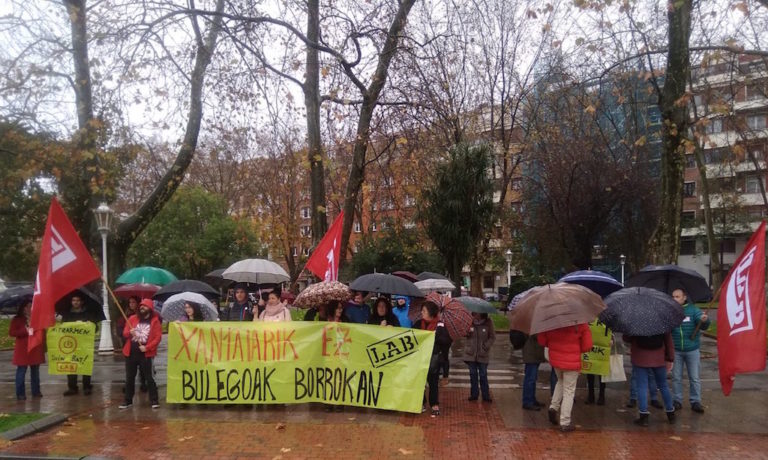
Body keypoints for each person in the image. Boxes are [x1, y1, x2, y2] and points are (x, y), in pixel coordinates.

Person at [538, 323, 592, 432]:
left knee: (560, 381)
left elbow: (542, 341)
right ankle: (565, 422)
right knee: (569, 391)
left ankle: (554, 407)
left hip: (556, 359)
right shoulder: (581, 323)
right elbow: (587, 346)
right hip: (572, 362)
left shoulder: (552, 320)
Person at [624, 332, 676, 426]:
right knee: (663, 385)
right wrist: (670, 358)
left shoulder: (636, 321)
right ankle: (670, 412)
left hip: (640, 358)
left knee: (642, 387)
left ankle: (643, 416)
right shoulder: (662, 321)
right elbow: (668, 341)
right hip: (659, 358)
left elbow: (627, 338)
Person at [671, 288, 710, 413]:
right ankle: (677, 400)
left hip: (692, 350)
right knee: (676, 377)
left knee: (694, 377)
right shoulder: (671, 311)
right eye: (673, 297)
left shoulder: (693, 310)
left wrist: (704, 320)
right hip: (676, 350)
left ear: (684, 297)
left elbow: (703, 323)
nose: (675, 299)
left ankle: (695, 401)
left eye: (677, 296)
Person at [119, 298, 162, 409]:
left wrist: (147, 347)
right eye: (141, 306)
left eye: (145, 306)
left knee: (149, 377)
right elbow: (124, 333)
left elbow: (157, 338)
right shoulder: (132, 318)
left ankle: (154, 400)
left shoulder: (155, 321)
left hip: (145, 355)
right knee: (129, 377)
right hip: (131, 353)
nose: (142, 307)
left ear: (150, 309)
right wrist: (130, 332)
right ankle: (128, 400)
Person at [413, 301, 452, 417]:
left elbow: (447, 342)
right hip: (419, 358)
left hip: (433, 360)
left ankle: (434, 404)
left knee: (433, 383)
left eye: (424, 311)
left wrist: (436, 337)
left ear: (431, 312)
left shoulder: (440, 325)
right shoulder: (418, 324)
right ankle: (422, 402)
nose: (422, 313)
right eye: (422, 310)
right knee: (419, 382)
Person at [62, 293, 96, 396]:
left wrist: (89, 325)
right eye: (73, 300)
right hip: (71, 344)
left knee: (85, 364)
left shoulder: (88, 314)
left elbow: (95, 328)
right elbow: (62, 328)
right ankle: (72, 387)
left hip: (85, 343)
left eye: (77, 300)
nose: (75, 302)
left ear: (81, 302)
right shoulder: (67, 315)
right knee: (71, 365)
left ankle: (86, 386)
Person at [9, 301, 44, 401]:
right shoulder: (17, 319)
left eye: (32, 306)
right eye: (28, 306)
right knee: (21, 371)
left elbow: (42, 332)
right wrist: (25, 330)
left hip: (35, 348)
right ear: (23, 308)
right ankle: (20, 394)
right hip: (23, 350)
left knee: (35, 372)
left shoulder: (37, 318)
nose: (30, 308)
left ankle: (36, 391)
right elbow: (12, 332)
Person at [463, 312, 495, 403]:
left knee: (483, 375)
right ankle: (474, 394)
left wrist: (485, 346)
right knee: (473, 375)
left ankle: (486, 395)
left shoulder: (488, 322)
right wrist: (467, 332)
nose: (474, 314)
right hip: (471, 354)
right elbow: (464, 334)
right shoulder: (470, 321)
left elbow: (492, 337)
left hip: (483, 354)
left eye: (476, 313)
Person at [520, 334, 557, 411]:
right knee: (530, 379)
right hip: (531, 354)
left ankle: (531, 399)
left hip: (534, 353)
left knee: (532, 378)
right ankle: (528, 401)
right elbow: (537, 336)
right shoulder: (533, 326)